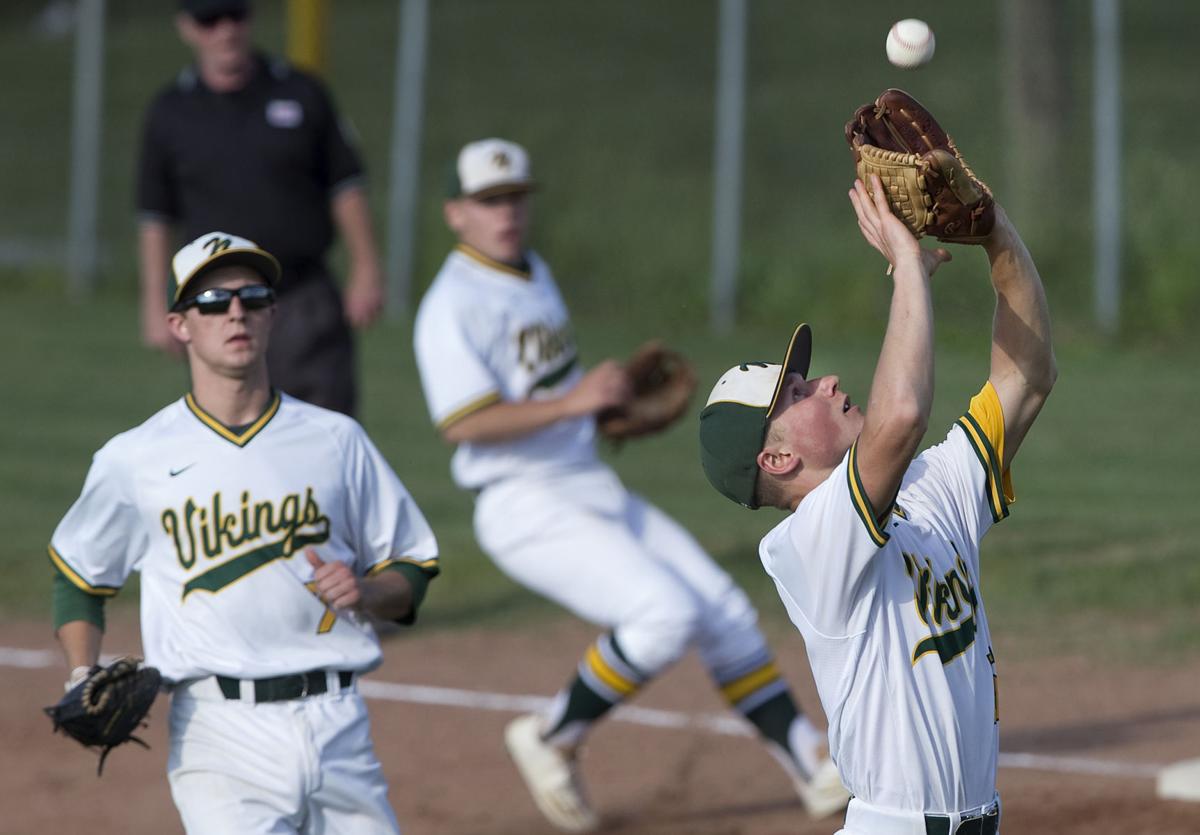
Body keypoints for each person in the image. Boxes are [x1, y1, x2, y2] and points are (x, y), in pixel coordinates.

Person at [412, 137, 849, 832]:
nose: (507, 213)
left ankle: (812, 765)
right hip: (521, 500)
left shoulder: (532, 271)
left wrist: (599, 410)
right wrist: (572, 404)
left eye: (516, 197)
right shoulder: (451, 305)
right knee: (663, 615)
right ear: (455, 213)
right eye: (489, 201)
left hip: (584, 480)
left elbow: (550, 392)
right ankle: (552, 735)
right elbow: (463, 423)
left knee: (724, 608)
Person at [698, 175, 1057, 835]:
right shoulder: (807, 543)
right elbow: (902, 415)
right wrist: (906, 267)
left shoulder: (931, 487)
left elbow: (1028, 376)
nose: (825, 380)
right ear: (775, 460)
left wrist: (997, 234)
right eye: (797, 394)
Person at [49, 232, 440, 834]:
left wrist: (367, 590)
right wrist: (81, 673)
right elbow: (79, 576)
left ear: (272, 316)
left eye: (253, 297)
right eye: (213, 301)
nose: (236, 311)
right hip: (219, 735)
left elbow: (411, 565)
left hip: (339, 726)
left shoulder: (336, 440)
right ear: (180, 324)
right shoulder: (136, 458)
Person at [137, 0, 384, 417]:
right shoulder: (171, 112)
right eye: (209, 20)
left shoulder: (300, 92)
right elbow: (156, 216)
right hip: (215, 304)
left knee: (324, 430)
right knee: (231, 430)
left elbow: (345, 185)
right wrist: (153, 302)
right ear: (187, 28)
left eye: (235, 15)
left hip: (301, 296)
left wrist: (367, 267)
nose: (225, 30)